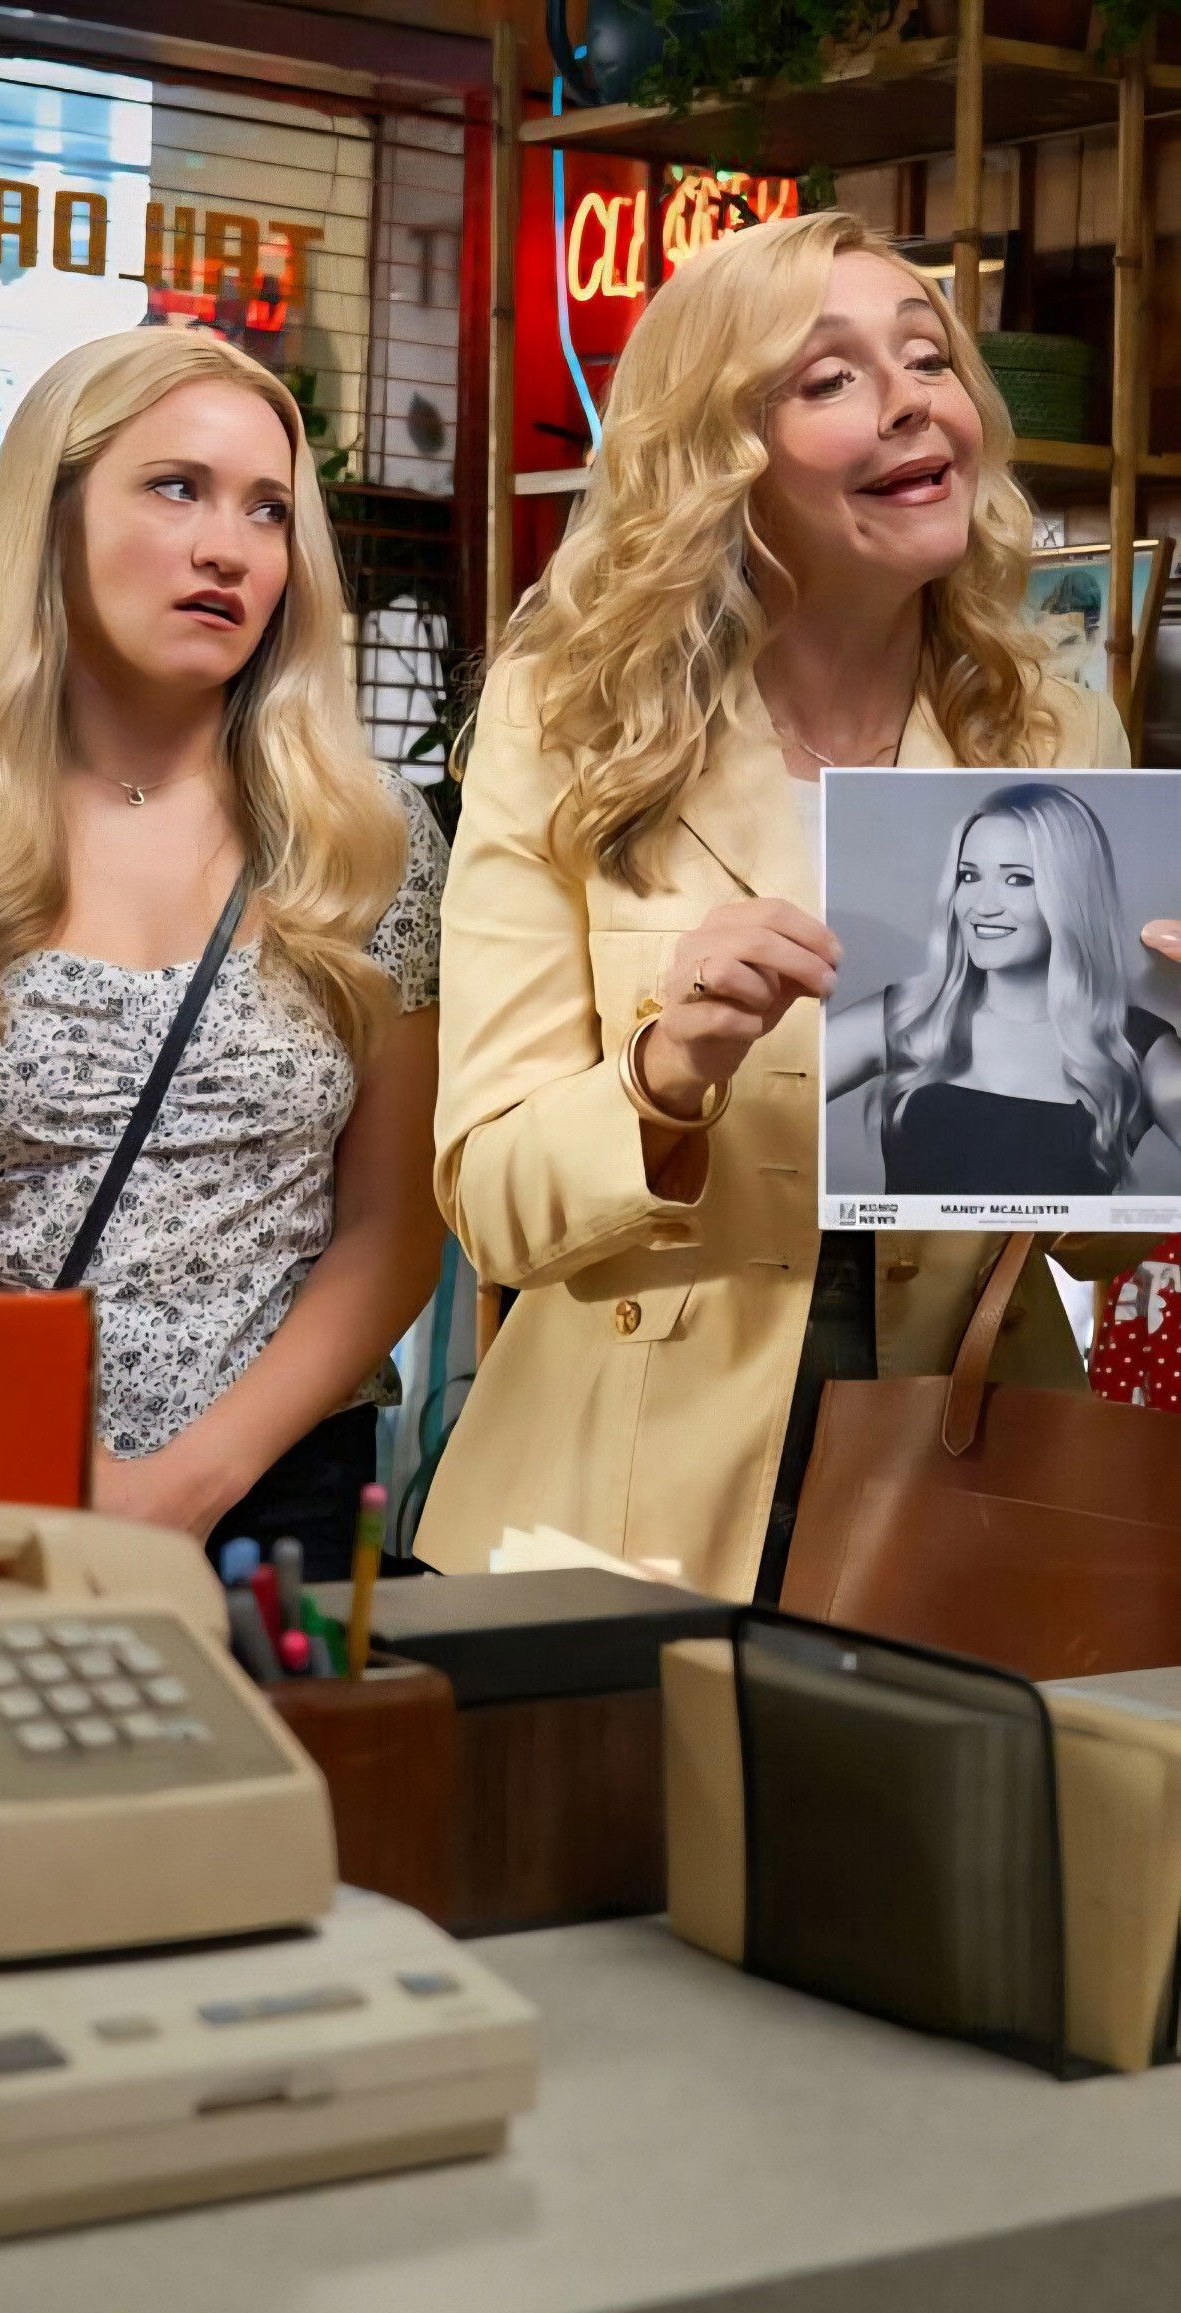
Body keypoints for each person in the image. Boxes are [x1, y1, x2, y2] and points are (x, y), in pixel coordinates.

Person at [417, 208, 1171, 1600]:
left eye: (927, 358)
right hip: (623, 1519)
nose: (909, 400)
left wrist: (1157, 1061)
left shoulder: (1056, 737)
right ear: (719, 455)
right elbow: (490, 1208)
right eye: (828, 378)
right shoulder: (569, 724)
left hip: (962, 1497)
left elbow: (1094, 1233)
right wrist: (664, 1074)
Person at [0, 327, 447, 1579]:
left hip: (287, 1504)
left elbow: (391, 1233)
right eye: (175, 488)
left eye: (269, 510)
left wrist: (188, 1483)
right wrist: (55, 1464)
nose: (228, 547)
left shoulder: (368, 838)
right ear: (49, 521)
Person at [826, 779, 1181, 1195]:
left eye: (1018, 880)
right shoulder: (905, 1016)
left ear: (1073, 895)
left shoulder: (1140, 1047)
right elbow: (769, 1092)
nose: (982, 905)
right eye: (969, 876)